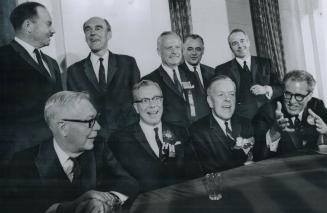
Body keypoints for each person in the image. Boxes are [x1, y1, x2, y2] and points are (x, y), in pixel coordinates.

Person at [5, 91, 139, 213]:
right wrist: (73, 206)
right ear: (63, 128)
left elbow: (128, 181)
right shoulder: (23, 162)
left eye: (96, 118)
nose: (98, 127)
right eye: (90, 121)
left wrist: (110, 199)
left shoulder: (99, 146)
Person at [0, 2, 63, 167]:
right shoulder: (3, 58)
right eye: (48, 24)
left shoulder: (52, 63)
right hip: (17, 156)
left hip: (52, 152)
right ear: (28, 26)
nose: (53, 30)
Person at [67, 16, 140, 139]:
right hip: (93, 138)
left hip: (128, 136)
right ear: (85, 37)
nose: (93, 32)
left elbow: (138, 100)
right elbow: (75, 109)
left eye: (98, 28)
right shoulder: (73, 71)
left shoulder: (128, 63)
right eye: (88, 29)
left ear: (109, 34)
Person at [109, 80, 188, 192]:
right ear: (135, 107)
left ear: (162, 102)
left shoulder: (181, 132)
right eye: (145, 100)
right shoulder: (120, 139)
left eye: (156, 98)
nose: (152, 105)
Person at [253, 70, 327, 160]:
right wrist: (274, 132)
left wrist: (326, 130)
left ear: (309, 96)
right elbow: (258, 156)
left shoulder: (316, 105)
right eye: (288, 94)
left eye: (299, 96)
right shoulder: (266, 111)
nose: (292, 101)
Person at [188, 75, 254, 176]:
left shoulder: (246, 123)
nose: (228, 99)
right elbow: (212, 171)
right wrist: (242, 160)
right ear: (210, 102)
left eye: (232, 94)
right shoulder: (198, 131)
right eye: (221, 95)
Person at [215, 29, 282, 120]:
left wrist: (266, 89)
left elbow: (281, 88)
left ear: (248, 42)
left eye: (242, 41)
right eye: (235, 43)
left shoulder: (266, 63)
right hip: (240, 121)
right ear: (231, 48)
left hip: (268, 117)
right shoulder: (222, 69)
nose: (240, 46)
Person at [143, 31, 206, 127]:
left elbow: (202, 107)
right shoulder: (150, 80)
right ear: (159, 52)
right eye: (169, 48)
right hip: (171, 137)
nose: (174, 52)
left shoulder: (192, 74)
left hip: (196, 134)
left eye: (177, 47)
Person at [179, 34, 215, 122]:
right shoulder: (176, 74)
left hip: (212, 126)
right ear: (183, 50)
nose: (194, 53)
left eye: (198, 49)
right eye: (190, 49)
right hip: (189, 127)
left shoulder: (213, 72)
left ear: (203, 51)